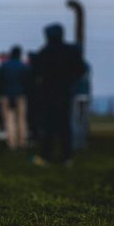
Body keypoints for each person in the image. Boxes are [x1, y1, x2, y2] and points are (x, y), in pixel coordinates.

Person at [32, 23, 87, 165]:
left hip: (48, 92)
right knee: (65, 125)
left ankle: (46, 155)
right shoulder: (70, 51)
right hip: (65, 92)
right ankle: (67, 156)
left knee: (48, 125)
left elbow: (36, 71)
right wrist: (70, 81)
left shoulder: (45, 52)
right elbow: (81, 69)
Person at [0, 45, 30, 150]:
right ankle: (22, 141)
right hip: (21, 95)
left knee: (9, 120)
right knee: (22, 119)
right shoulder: (23, 66)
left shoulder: (4, 66)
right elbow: (27, 82)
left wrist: (0, 94)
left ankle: (12, 143)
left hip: (6, 96)